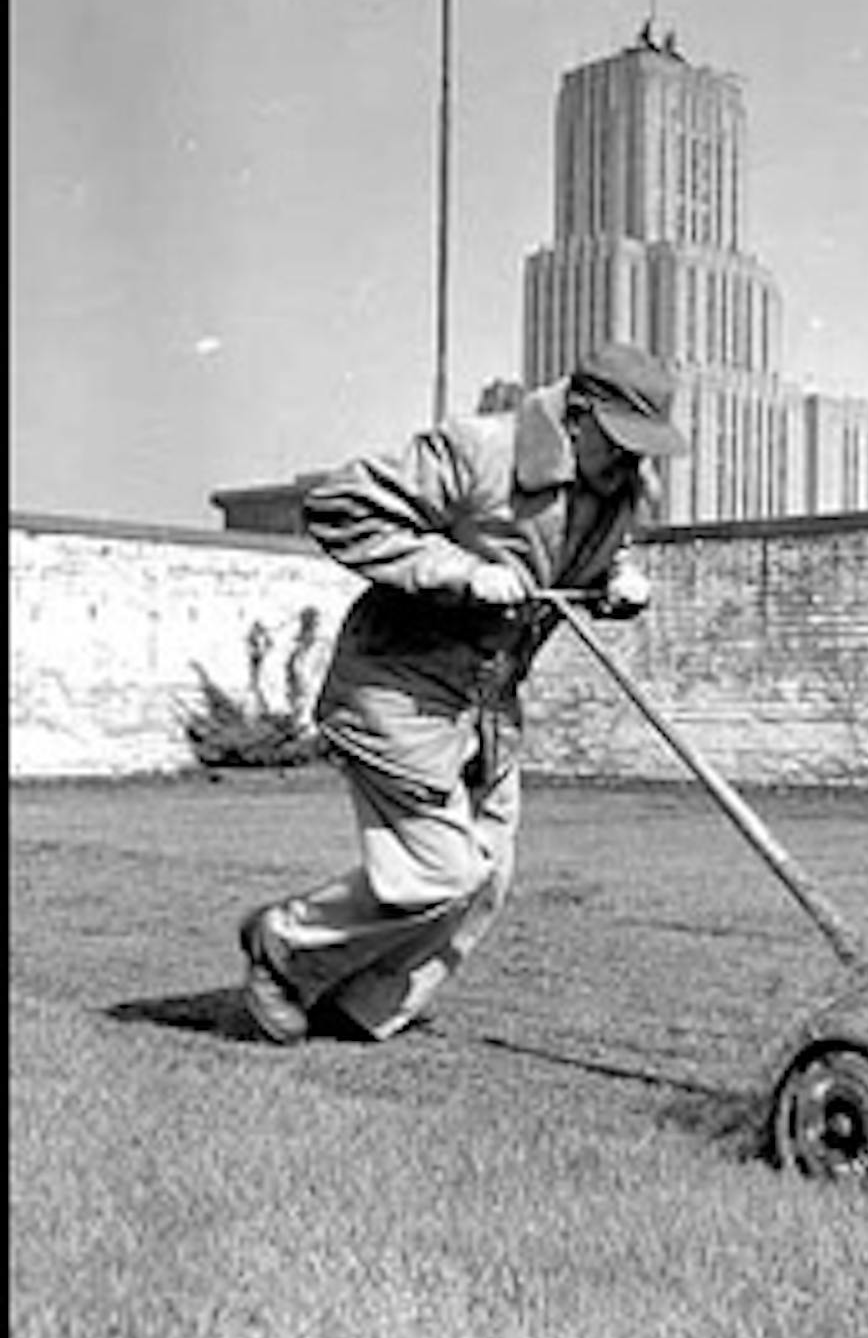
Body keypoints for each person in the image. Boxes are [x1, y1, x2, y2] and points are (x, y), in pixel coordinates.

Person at [235, 342, 687, 1045]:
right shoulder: (479, 450)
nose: (630, 462)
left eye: (644, 447)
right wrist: (457, 570)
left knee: (488, 878)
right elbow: (339, 506)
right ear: (576, 414)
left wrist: (619, 581)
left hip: (489, 704)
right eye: (619, 441)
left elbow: (606, 544)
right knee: (438, 871)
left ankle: (360, 1004)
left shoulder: (626, 486)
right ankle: (284, 945)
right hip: (398, 687)